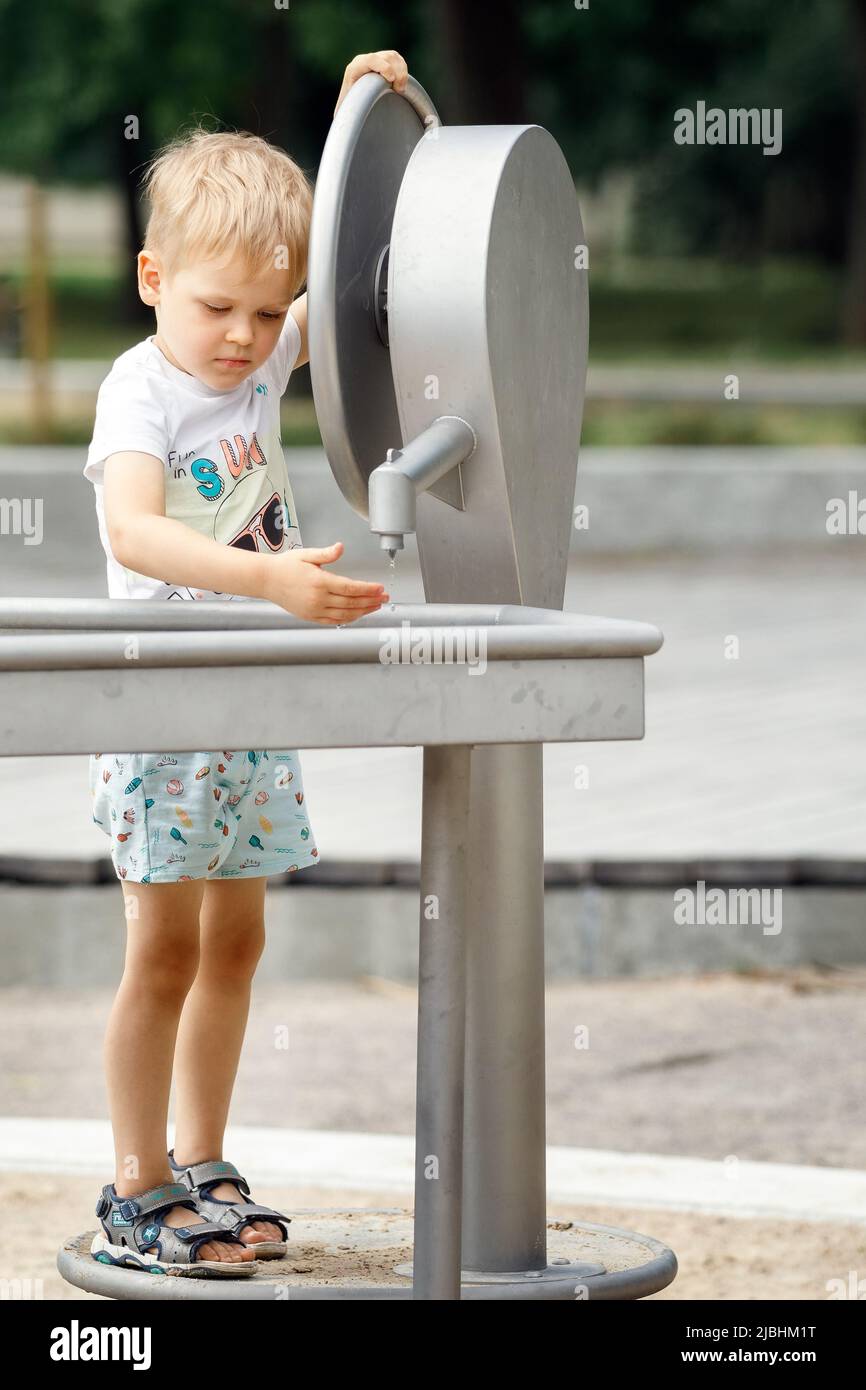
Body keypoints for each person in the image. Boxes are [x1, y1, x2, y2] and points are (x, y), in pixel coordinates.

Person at [84, 50, 408, 1276]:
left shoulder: (262, 357)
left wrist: (352, 125)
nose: (246, 337)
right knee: (159, 952)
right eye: (218, 306)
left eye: (264, 316)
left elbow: (330, 279)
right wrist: (269, 578)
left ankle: (204, 1159)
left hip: (248, 705)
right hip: (168, 706)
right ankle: (136, 1181)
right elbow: (134, 529)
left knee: (235, 946)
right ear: (154, 279)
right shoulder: (142, 391)